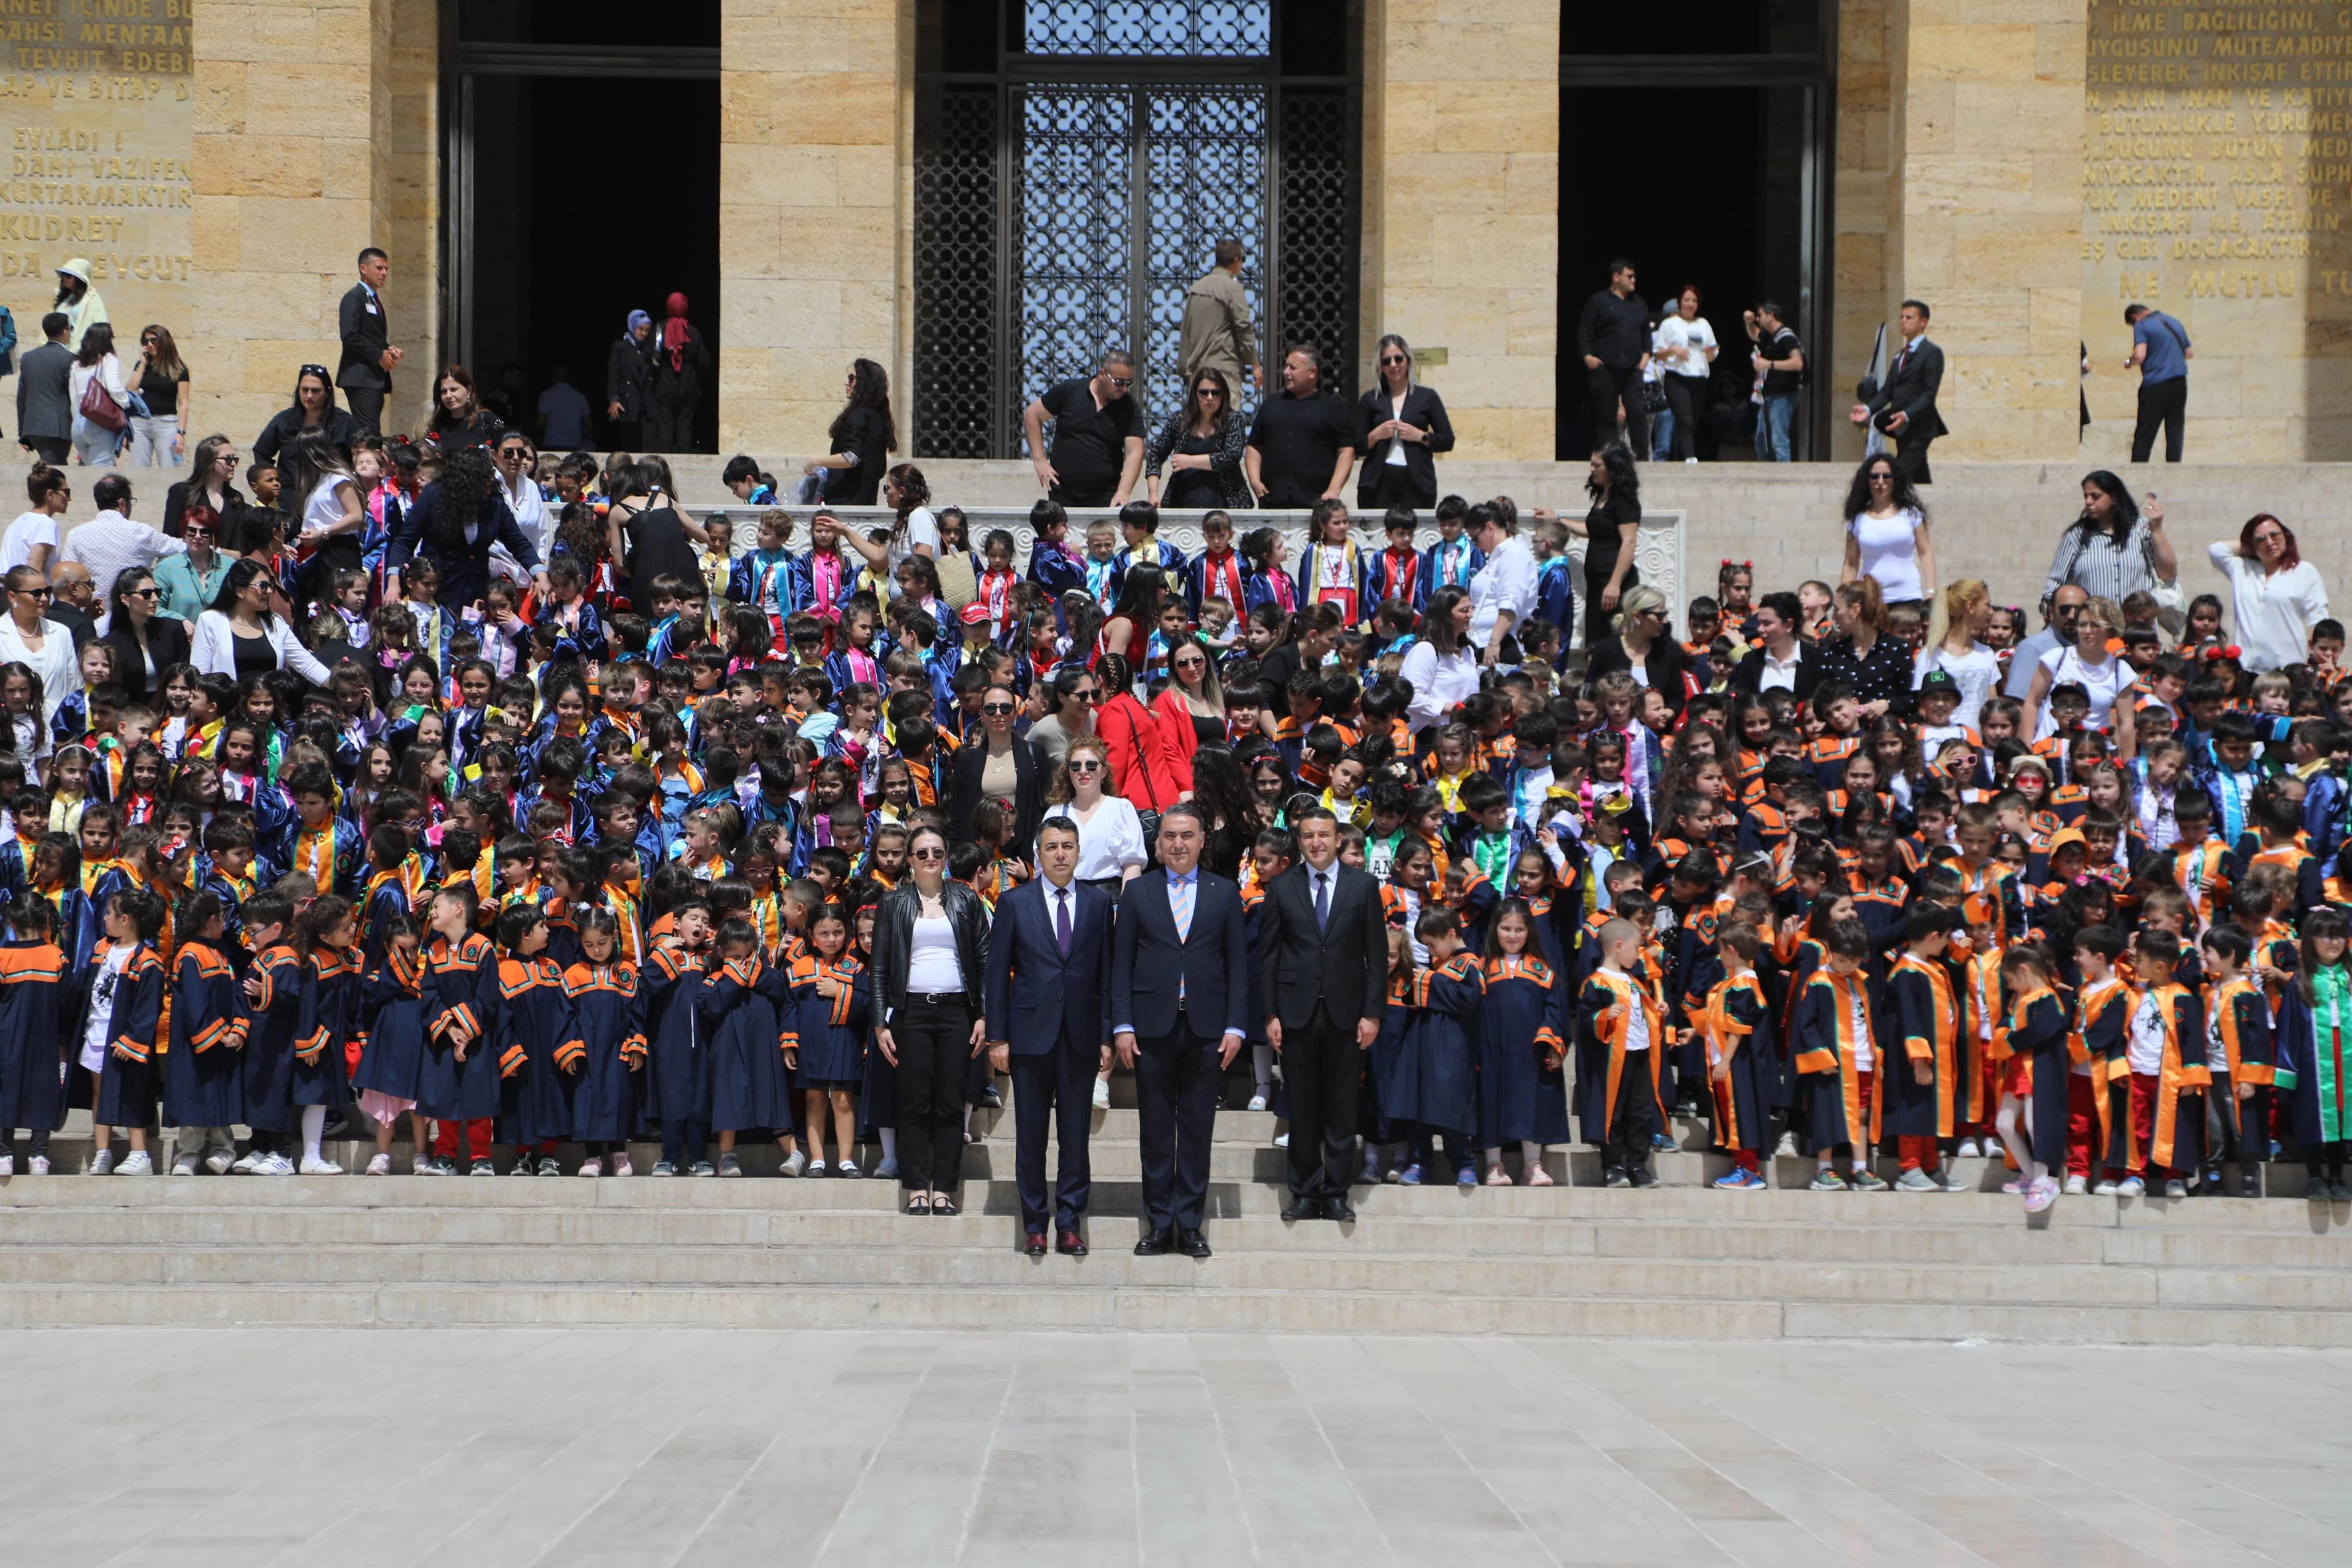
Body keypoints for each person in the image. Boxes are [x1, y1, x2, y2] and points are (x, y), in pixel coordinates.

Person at [1112, 803, 1249, 1259]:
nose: (1177, 843)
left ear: (1201, 840)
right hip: (1151, 1028)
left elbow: (1237, 966)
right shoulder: (1137, 892)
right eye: (1169, 835)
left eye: (1186, 835)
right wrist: (1123, 1024)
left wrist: (1234, 1026)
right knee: (1154, 1130)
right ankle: (1158, 1222)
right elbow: (1121, 964)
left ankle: (1189, 1224)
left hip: (1207, 1029)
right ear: (1157, 843)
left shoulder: (1225, 892)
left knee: (1195, 1130)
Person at [983, 817, 1115, 1257]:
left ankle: (1071, 1223)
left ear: (1079, 853)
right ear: (1037, 854)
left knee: (1075, 1137)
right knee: (1031, 1137)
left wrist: (1106, 1036)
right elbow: (997, 973)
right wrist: (997, 1037)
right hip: (1028, 1036)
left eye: (1068, 846)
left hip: (1080, 1036)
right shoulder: (1014, 903)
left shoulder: (1098, 904)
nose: (1060, 854)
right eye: (1051, 847)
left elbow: (1106, 975)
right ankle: (1035, 1224)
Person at [1256, 806, 1388, 1223]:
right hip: (1294, 1015)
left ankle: (1335, 1192)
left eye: (1324, 835)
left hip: (1347, 1015)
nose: (1316, 842)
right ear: (1299, 841)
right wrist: (1270, 1013)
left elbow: (1377, 956)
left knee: (1341, 1106)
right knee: (1303, 1105)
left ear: (1338, 839)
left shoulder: (1364, 887)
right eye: (1308, 835)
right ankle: (1303, 1191)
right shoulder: (1282, 888)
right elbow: (1268, 958)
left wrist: (1372, 1013)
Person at [868, 823, 990, 1216]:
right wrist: (880, 1023)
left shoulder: (966, 899)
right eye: (922, 853)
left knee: (951, 1104)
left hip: (957, 1011)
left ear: (947, 857)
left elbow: (985, 960)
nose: (931, 859)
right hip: (912, 1012)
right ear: (910, 859)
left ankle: (945, 1190)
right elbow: (880, 968)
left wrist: (984, 1015)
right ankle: (917, 1187)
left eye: (938, 852)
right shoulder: (894, 902)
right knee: (915, 1103)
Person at [384, 444, 547, 611]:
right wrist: (393, 581)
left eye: (490, 476)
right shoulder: (433, 496)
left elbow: (518, 543)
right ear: (465, 482)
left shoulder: (495, 502)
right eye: (483, 479)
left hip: (476, 591)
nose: (490, 482)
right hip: (438, 589)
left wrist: (540, 574)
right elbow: (404, 541)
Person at [2207, 513, 2329, 674]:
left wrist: (2315, 657)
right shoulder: (2241, 568)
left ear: (2286, 536)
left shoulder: (2304, 571)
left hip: (2287, 667)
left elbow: (2318, 615)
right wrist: (2252, 547)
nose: (2270, 542)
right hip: (2246, 668)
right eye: (2261, 539)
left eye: (2275, 535)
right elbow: (2216, 550)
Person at [1024, 351, 1145, 508]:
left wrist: (1124, 491)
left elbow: (1134, 453)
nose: (1124, 389)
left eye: (1129, 383)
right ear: (1102, 374)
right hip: (1063, 491)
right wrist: (1040, 461)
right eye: (1119, 382)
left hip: (1106, 495)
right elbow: (1032, 415)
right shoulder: (1070, 391)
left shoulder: (1130, 407)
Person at [60, 475, 185, 626]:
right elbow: (183, 547)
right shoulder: (142, 533)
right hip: (133, 624)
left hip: (92, 623)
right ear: (122, 503)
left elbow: (66, 578)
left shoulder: (76, 535)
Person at [2041, 469, 2175, 607]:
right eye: (2086, 496)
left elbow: (2167, 573)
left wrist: (2157, 530)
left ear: (2115, 498)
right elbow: (2055, 581)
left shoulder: (2140, 529)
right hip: (2096, 624)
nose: (2088, 502)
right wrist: (2050, 609)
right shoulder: (2077, 535)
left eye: (2095, 496)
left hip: (2137, 625)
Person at [190, 557, 333, 685]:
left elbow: (306, 664)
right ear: (240, 591)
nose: (270, 591)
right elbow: (200, 674)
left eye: (271, 585)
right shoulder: (210, 620)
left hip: (267, 709)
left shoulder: (276, 623)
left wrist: (337, 686)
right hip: (227, 710)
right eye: (263, 586)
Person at [1245, 345, 1354, 507]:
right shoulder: (1271, 404)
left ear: (1313, 372)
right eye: (1286, 366)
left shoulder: (1333, 408)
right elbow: (1254, 446)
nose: (1286, 372)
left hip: (1317, 502)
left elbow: (1347, 451)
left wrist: (1334, 489)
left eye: (1293, 368)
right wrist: (1255, 481)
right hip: (1272, 500)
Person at [1850, 299, 1945, 483]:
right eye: (1901, 317)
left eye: (1909, 318)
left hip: (1920, 425)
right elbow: (1887, 391)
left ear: (1923, 322)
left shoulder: (1932, 353)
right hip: (1901, 427)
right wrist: (1868, 409)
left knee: (1898, 477)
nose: (1903, 321)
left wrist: (1906, 414)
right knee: (1918, 479)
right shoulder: (1899, 355)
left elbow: (1929, 393)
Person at [1354, 334, 1453, 509]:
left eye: (1398, 359)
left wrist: (1421, 436)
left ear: (1407, 360)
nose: (1393, 365)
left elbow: (1447, 440)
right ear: (1380, 366)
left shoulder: (1427, 397)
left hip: (1417, 481)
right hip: (1378, 481)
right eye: (1386, 361)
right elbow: (1357, 445)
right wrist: (1376, 435)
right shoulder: (1370, 399)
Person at [948, 681, 1044, 854]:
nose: (998, 714)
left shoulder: (1034, 753)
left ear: (1015, 714)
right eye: (991, 708)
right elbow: (957, 817)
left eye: (1006, 708)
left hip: (1024, 854)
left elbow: (1045, 810)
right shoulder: (968, 759)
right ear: (982, 715)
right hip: (980, 856)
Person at [1568, 441, 1642, 647]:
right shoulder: (1603, 495)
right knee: (1596, 644)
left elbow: (1629, 542)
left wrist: (1615, 584)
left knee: (1614, 643)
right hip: (1597, 586)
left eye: (1597, 465)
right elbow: (1593, 531)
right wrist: (1559, 520)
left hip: (1613, 586)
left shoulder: (1624, 500)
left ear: (1613, 467)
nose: (1592, 469)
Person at [1146, 366, 1251, 510]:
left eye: (1215, 393)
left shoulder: (1233, 420)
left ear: (1224, 395)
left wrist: (1190, 461)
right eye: (1204, 393)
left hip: (1226, 504)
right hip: (1183, 501)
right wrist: (1153, 493)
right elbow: (1155, 455)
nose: (1210, 398)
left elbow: (1231, 457)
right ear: (1195, 394)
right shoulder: (1180, 421)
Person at [1583, 586, 1691, 722]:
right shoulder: (1605, 650)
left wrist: (1664, 715)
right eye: (1659, 615)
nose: (1664, 621)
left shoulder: (1669, 650)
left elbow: (1677, 698)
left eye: (1665, 614)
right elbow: (1591, 693)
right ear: (1638, 616)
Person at [1840, 453, 1933, 610]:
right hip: (1871, 598)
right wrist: (1845, 599)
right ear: (1867, 481)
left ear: (1895, 479)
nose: (1880, 482)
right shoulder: (1857, 519)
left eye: (1887, 476)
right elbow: (1850, 564)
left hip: (1908, 595)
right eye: (1874, 477)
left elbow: (1926, 552)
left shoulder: (1912, 514)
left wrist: (1930, 590)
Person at [1578, 258, 1651, 456]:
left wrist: (1645, 357)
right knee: (1607, 416)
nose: (1634, 280)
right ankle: (1609, 460)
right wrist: (1587, 357)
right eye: (1630, 276)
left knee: (1637, 412)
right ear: (1616, 277)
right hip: (1605, 368)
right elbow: (1585, 330)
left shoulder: (1639, 303)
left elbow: (1646, 333)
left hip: (1632, 369)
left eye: (1635, 276)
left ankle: (1642, 458)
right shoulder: (1599, 301)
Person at [805, 358, 896, 507]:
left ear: (865, 383)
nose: (847, 383)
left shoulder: (860, 415)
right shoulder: (878, 417)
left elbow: (851, 458)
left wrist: (816, 461)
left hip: (845, 503)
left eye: (851, 378)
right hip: (866, 502)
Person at [1177, 238, 1259, 394]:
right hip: (1224, 371)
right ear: (1236, 261)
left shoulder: (1196, 289)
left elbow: (1186, 331)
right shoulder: (1232, 288)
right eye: (1243, 259)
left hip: (1198, 374)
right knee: (1227, 416)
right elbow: (1244, 327)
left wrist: (1184, 369)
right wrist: (1254, 365)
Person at [1917, 578, 2000, 730]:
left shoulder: (1986, 653)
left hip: (1978, 745)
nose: (1991, 611)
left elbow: (1992, 704)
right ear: (1970, 607)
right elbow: (1921, 707)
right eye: (1987, 605)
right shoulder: (1930, 655)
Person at [99, 566, 189, 705]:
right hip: (132, 713)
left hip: (172, 710)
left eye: (157, 592)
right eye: (146, 593)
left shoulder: (174, 630)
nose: (154, 599)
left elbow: (186, 674)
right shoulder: (112, 643)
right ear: (125, 599)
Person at [335, 247, 400, 437]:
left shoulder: (373, 299)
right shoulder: (354, 297)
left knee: (368, 431)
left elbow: (371, 336)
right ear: (364, 269)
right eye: (379, 268)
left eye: (386, 269)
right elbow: (349, 335)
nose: (384, 273)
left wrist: (388, 349)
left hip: (373, 378)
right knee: (370, 433)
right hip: (360, 376)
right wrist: (379, 355)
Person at [0, 565, 79, 722]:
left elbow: (74, 686)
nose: (44, 598)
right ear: (12, 596)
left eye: (47, 591)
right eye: (36, 593)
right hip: (10, 732)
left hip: (58, 731)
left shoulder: (62, 633)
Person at [1464, 500, 1536, 661]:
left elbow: (1510, 602)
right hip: (1484, 641)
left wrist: (1494, 642)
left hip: (1504, 645)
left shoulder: (1514, 554)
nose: (1476, 545)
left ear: (1490, 528)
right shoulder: (1499, 555)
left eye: (1475, 538)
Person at [252, 364, 358, 467]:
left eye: (315, 391)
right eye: (305, 390)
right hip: (291, 485)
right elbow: (261, 452)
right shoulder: (283, 420)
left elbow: (359, 456)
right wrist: (271, 480)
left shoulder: (345, 422)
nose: (309, 395)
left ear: (327, 392)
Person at [2125, 301, 2191, 463]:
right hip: (2180, 382)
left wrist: (2129, 361)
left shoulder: (2142, 325)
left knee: (2145, 431)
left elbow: (2139, 355)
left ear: (2135, 317)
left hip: (2156, 384)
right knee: (2175, 429)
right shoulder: (2174, 322)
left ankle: (2137, 470)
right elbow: (2189, 353)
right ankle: (2174, 468)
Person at [1729, 589, 1822, 701]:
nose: (1760, 629)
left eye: (1767, 623)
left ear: (1789, 625)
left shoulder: (1817, 658)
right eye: (1759, 623)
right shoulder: (1751, 660)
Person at [643, 293, 707, 451]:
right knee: (685, 424)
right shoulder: (693, 332)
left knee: (666, 422)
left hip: (665, 382)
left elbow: (650, 355)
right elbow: (704, 361)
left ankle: (667, 461)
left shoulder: (660, 328)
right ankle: (684, 458)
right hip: (689, 383)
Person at [2003, 583, 2088, 701]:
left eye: (2078, 610)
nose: (2072, 616)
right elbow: (2017, 702)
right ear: (2051, 613)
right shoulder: (2033, 648)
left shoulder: (2090, 649)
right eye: (2065, 609)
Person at [1743, 300, 1805, 462]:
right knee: (1761, 439)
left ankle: (1785, 478)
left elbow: (1798, 363)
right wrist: (1749, 323)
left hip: (1783, 394)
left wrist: (1769, 364)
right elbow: (1755, 334)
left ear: (1771, 316)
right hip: (1768, 394)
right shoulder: (1769, 336)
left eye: (1760, 315)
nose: (1758, 318)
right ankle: (1767, 473)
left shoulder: (1786, 337)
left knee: (1779, 440)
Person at [14, 313, 74, 464]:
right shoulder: (69, 359)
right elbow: (74, 394)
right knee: (54, 472)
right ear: (65, 331)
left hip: (34, 428)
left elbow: (22, 396)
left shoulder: (29, 357)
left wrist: (23, 432)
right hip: (57, 428)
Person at [153, 507, 229, 623]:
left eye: (205, 532)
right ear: (184, 534)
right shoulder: (166, 567)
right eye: (192, 531)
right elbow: (154, 607)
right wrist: (181, 621)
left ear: (213, 535)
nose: (197, 536)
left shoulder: (230, 567)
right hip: (180, 638)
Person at [68, 322, 129, 468]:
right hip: (98, 423)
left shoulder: (77, 364)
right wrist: (126, 403)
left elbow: (73, 396)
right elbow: (114, 388)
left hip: (78, 425)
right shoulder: (109, 359)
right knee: (100, 478)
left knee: (88, 475)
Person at [126, 326, 189, 467]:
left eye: (153, 340)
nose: (149, 345)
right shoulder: (142, 365)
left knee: (170, 469)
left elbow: (184, 402)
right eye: (145, 341)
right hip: (140, 424)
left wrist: (181, 432)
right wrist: (142, 363)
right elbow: (130, 389)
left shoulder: (179, 368)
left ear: (164, 341)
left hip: (166, 424)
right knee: (138, 471)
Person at [161, 435, 241, 538]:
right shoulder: (181, 493)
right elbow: (169, 539)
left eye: (235, 459)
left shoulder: (236, 499)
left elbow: (238, 547)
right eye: (228, 459)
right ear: (209, 461)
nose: (233, 464)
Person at [1026, 665, 1097, 775]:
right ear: (1061, 697)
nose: (1090, 701)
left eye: (1094, 694)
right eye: (1082, 696)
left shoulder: (1093, 717)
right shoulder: (1043, 730)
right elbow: (1021, 764)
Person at [3, 464, 69, 578]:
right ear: (51, 494)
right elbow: (34, 570)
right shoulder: (46, 524)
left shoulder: (17, 522)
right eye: (66, 492)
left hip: (9, 591)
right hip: (27, 592)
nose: (69, 498)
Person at [423, 364, 504, 453]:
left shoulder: (487, 420)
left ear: (469, 390)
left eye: (454, 390)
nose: (448, 396)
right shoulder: (437, 424)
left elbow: (505, 452)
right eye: (444, 391)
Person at [605, 309, 654, 449]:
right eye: (640, 329)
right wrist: (613, 400)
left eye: (647, 330)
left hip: (646, 403)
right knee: (629, 444)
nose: (643, 333)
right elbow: (614, 374)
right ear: (633, 327)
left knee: (647, 444)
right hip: (627, 403)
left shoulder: (649, 349)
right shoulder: (620, 347)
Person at [53, 258, 108, 347]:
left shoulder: (92, 298)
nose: (64, 278)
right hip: (60, 349)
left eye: (69, 276)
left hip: (80, 350)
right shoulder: (64, 297)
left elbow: (101, 327)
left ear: (79, 279)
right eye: (63, 275)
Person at [535, 365, 592, 450]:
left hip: (551, 443)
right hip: (574, 445)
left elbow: (540, 422)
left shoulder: (546, 395)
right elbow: (589, 426)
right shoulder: (580, 397)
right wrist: (577, 435)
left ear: (553, 376)